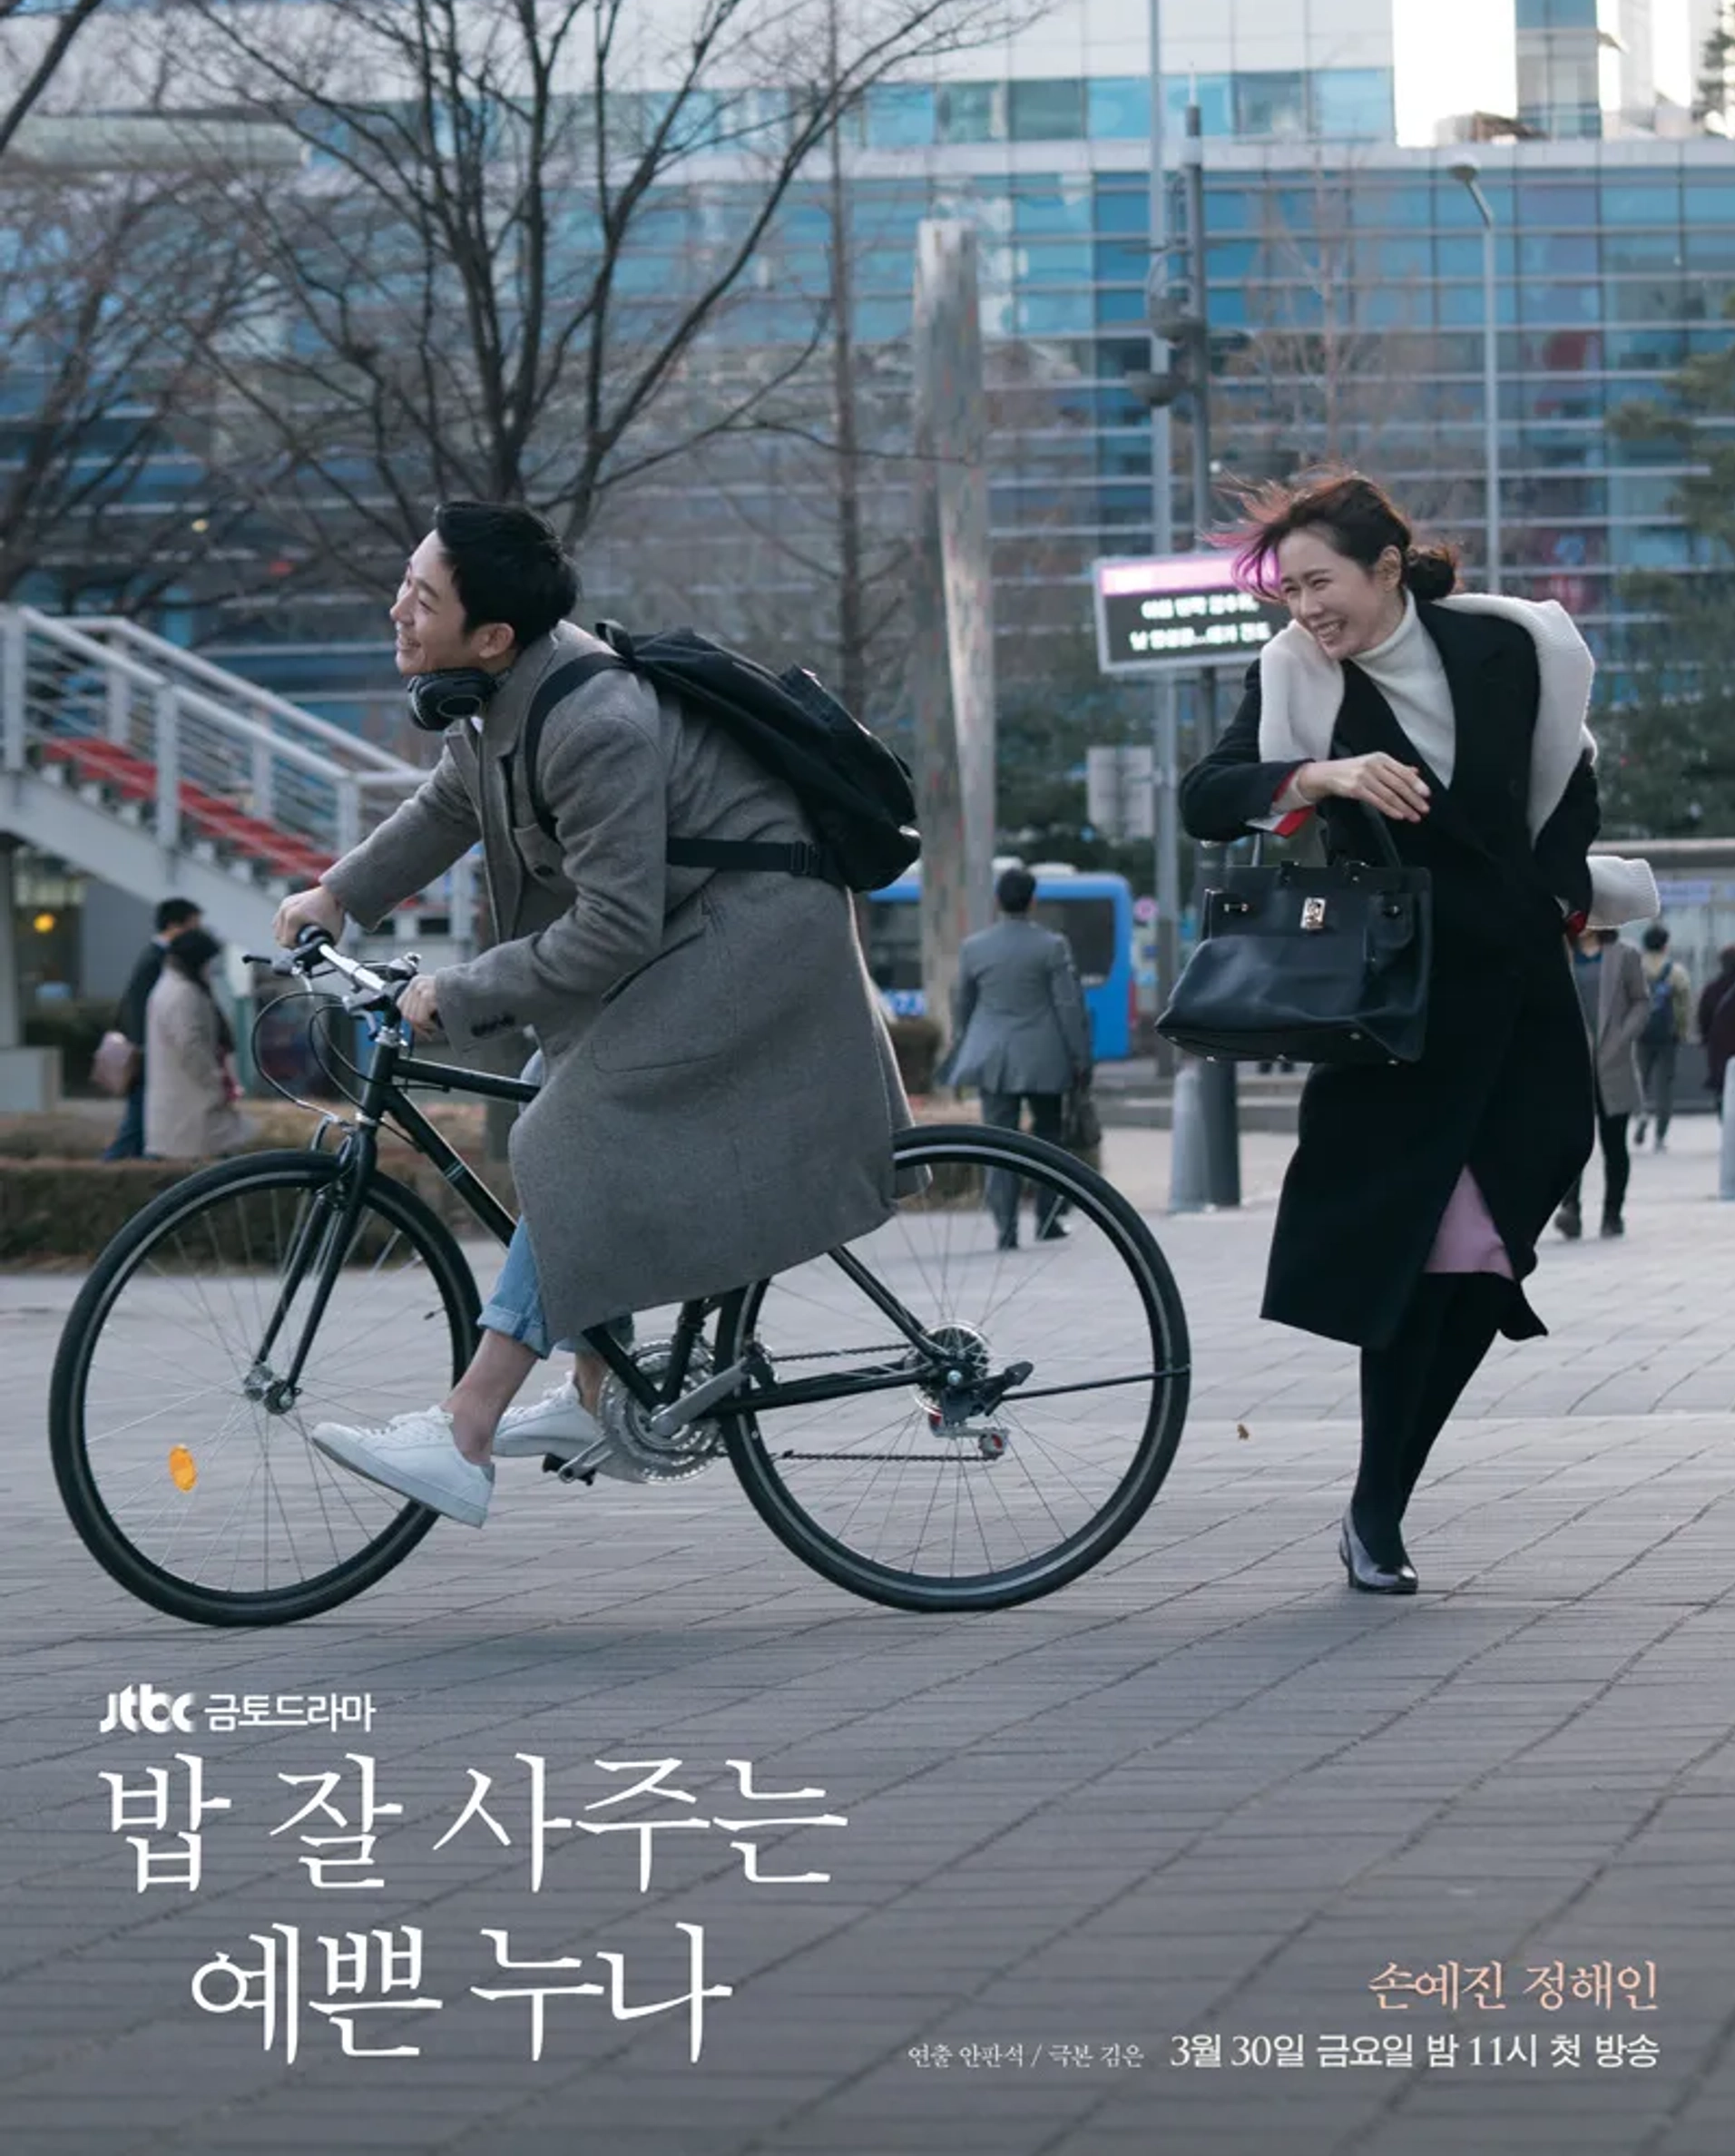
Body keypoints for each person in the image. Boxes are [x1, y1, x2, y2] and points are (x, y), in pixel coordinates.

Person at [275, 500, 909, 1529]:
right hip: (692, 920)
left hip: (756, 928)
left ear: (492, 635)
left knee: (566, 1123)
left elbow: (611, 929)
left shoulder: (590, 721)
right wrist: (339, 891)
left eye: (420, 598)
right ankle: (592, 1393)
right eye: (406, 584)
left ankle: (466, 1426)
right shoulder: (499, 691)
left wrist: (463, 989)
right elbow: (450, 801)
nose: (397, 609)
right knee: (558, 1104)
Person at [1180, 466, 1653, 1599]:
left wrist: (1551, 896)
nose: (1306, 610)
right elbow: (1207, 796)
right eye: (1288, 590)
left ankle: (1377, 1497)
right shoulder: (1296, 675)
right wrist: (1320, 771)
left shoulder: (1512, 648)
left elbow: (1570, 782)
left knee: (1491, 1250)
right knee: (1421, 1255)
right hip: (1397, 1010)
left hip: (1522, 988)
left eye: (1321, 583)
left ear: (1387, 568)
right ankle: (1378, 1509)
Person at [940, 865, 1093, 1249]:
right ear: (1033, 900)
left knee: (999, 1145)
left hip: (992, 1057)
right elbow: (1068, 1005)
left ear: (997, 900)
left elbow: (963, 1006)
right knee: (1048, 1140)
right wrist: (1080, 1057)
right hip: (1044, 1056)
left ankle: (1005, 1229)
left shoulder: (974, 947)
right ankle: (1048, 1220)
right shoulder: (1051, 945)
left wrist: (962, 1045)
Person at [1554, 928, 1647, 1240]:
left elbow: (1640, 1002)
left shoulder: (1625, 954)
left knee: (1614, 1146)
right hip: (1572, 1064)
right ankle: (1571, 1209)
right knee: (1570, 1143)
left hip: (1613, 1064)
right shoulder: (1559, 953)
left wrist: (1622, 1037)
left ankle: (1612, 1214)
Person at [102, 897, 204, 1160]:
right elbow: (135, 1006)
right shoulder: (156, 959)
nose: (196, 933)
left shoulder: (158, 956)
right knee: (137, 1124)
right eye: (192, 926)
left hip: (150, 1055)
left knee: (141, 1124)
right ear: (174, 925)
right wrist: (146, 1049)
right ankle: (111, 1169)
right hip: (148, 1057)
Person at [142, 926, 249, 1161]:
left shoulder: (174, 987)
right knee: (212, 1169)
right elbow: (190, 1046)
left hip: (184, 1100)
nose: (209, 969)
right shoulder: (183, 994)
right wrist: (216, 1081)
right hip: (193, 1101)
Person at [1632, 921, 1691, 1152]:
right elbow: (1684, 1006)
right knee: (1664, 1087)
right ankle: (1660, 1135)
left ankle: (1641, 1117)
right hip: (1667, 1036)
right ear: (1666, 945)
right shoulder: (1676, 972)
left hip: (1641, 1034)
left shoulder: (1636, 968)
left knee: (1640, 1083)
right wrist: (1683, 1031)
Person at [1701, 944, 1735, 1108]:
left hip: (1720, 1051)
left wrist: (1707, 1040)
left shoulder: (1712, 990)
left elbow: (1703, 1020)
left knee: (1724, 1090)